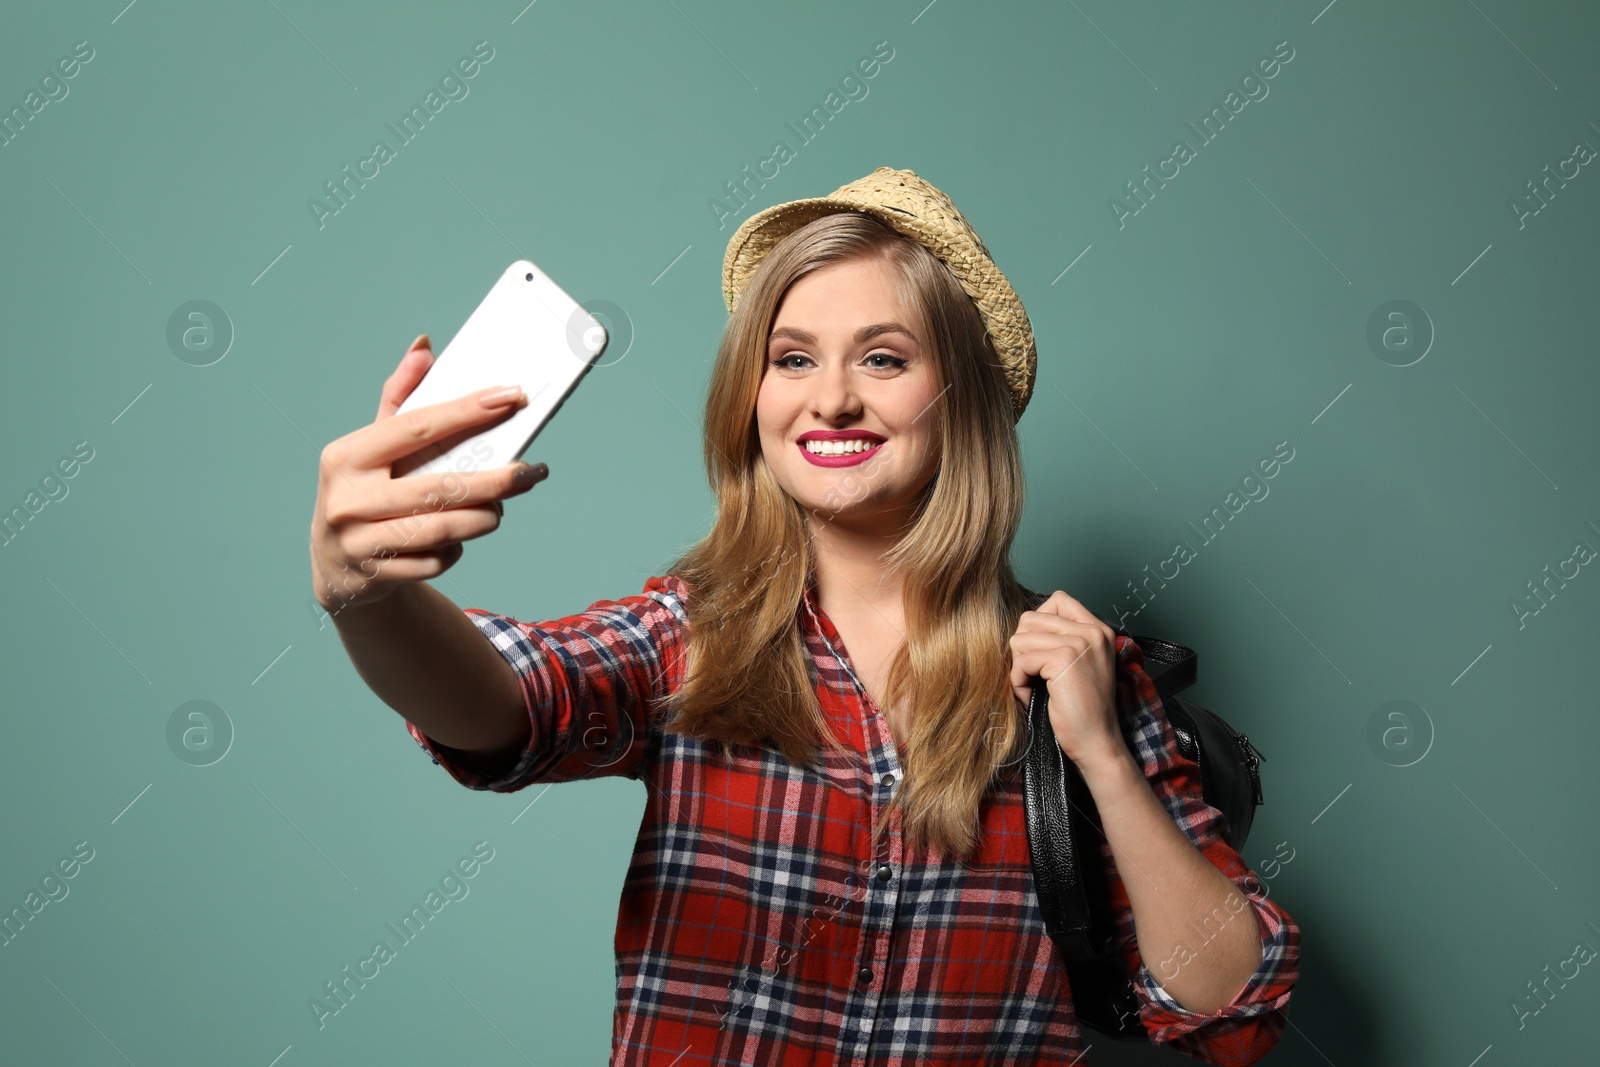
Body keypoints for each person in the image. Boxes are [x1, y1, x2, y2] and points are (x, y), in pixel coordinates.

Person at [308, 167, 1300, 1065]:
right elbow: (509, 705)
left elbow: (1233, 1013)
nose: (829, 400)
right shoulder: (691, 635)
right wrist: (370, 594)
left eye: (881, 358)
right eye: (791, 359)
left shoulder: (1075, 671)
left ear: (958, 400)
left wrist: (1106, 761)